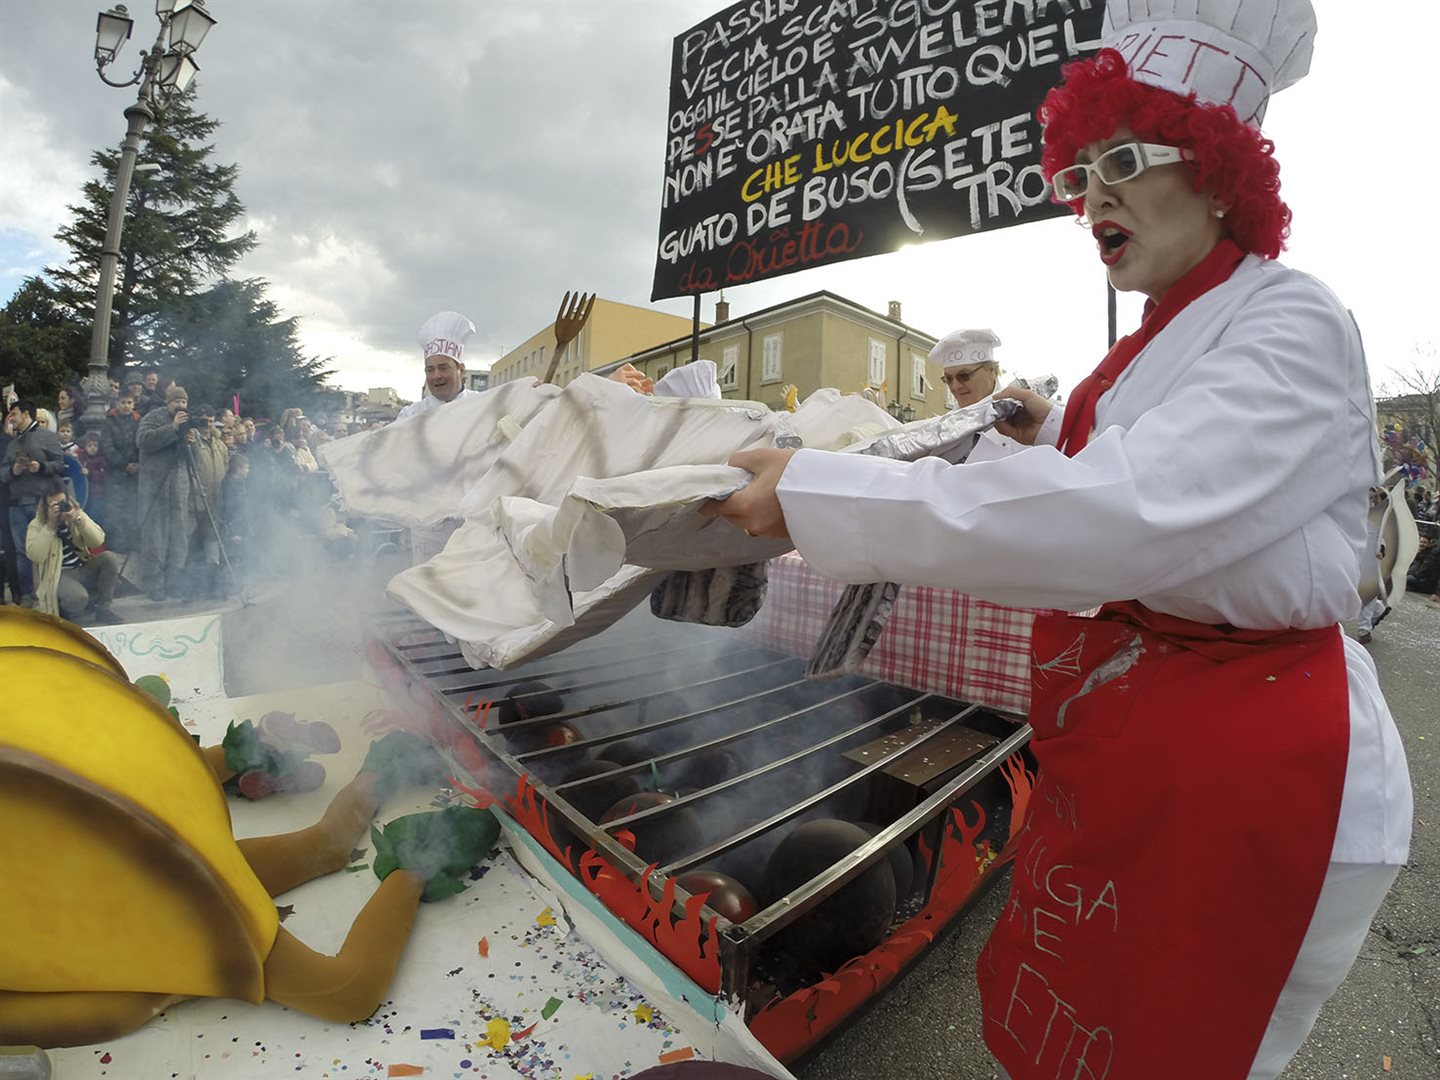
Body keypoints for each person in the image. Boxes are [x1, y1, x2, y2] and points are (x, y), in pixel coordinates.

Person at [702, 4, 1412, 1078]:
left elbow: (1119, 513)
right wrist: (1021, 439)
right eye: (1082, 170)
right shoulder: (1165, 334)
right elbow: (1104, 474)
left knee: (1191, 1047)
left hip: (1259, 768)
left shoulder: (1292, 317)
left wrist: (817, 496)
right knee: (1099, 1023)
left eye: (1125, 160)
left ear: (1222, 175)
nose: (1094, 196)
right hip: (1158, 734)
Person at [25, 481, 122, 624]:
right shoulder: (37, 524)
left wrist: (78, 520)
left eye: (62, 503)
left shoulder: (75, 513)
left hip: (80, 567)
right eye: (54, 505)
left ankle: (103, 608)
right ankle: (63, 608)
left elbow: (98, 541)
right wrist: (50, 526)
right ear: (46, 505)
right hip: (57, 574)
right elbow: (35, 555)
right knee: (78, 598)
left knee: (109, 558)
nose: (59, 508)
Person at [135, 384, 197, 601]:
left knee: (179, 536)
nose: (181, 406)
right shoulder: (153, 418)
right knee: (155, 536)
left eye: (184, 402)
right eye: (177, 401)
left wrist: (192, 443)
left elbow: (195, 459)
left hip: (179, 488)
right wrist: (172, 428)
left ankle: (174, 582)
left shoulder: (188, 422)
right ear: (168, 403)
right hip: (155, 487)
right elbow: (143, 441)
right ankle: (154, 584)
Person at [2, 399, 66, 604]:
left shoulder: (47, 437)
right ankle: (27, 595)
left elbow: (60, 464)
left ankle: (48, 593)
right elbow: (2, 472)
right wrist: (13, 471)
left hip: (41, 502)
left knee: (45, 549)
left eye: (14, 414)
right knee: (22, 552)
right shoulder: (12, 444)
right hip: (17, 504)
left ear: (26, 414)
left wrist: (41, 467)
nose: (11, 418)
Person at [188, 405, 230, 598]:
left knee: (212, 540)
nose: (208, 425)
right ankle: (185, 579)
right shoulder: (192, 441)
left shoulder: (219, 444)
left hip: (215, 499)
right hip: (193, 499)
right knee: (187, 538)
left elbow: (226, 466)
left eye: (212, 422)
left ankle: (213, 579)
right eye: (205, 421)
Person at [100, 390, 142, 552]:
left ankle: (134, 543)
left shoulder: (139, 421)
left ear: (134, 404)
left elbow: (142, 444)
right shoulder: (109, 422)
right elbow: (107, 447)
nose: (126, 406)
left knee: (133, 508)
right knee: (115, 510)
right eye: (123, 402)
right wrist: (124, 464)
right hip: (116, 473)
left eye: (129, 403)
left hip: (135, 473)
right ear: (117, 403)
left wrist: (138, 463)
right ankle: (117, 546)